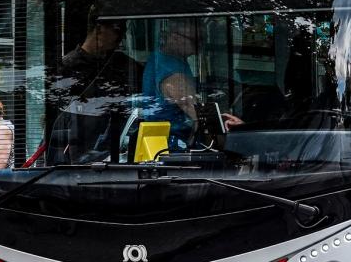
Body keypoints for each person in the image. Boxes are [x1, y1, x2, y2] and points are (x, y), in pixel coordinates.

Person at [47, 10, 142, 163]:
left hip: (115, 145)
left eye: (124, 30)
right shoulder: (66, 66)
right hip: (79, 146)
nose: (121, 36)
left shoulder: (125, 65)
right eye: (117, 29)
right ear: (99, 29)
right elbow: (56, 111)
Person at [142, 18, 240, 152]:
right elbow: (200, 118)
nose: (201, 45)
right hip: (173, 147)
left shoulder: (161, 58)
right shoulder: (173, 74)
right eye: (196, 41)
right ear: (175, 37)